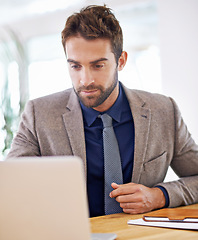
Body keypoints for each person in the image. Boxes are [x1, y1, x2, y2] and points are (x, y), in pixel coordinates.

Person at [7, 5, 198, 218]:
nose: (85, 80)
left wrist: (159, 195)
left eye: (98, 66)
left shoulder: (164, 111)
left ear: (121, 61)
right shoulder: (38, 114)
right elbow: (11, 189)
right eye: (75, 66)